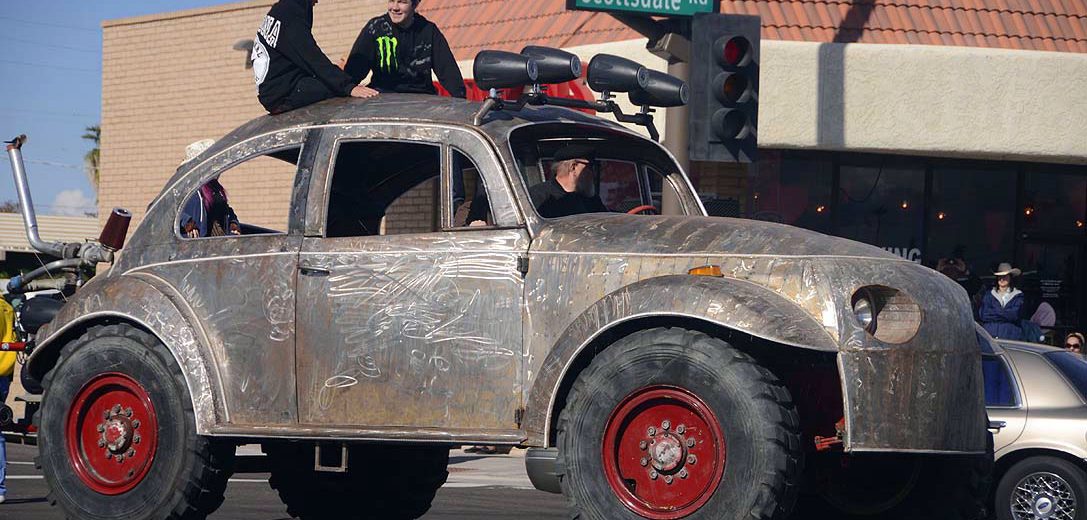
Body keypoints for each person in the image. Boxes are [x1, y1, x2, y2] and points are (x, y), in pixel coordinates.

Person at [252, 0, 377, 114]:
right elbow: (312, 58)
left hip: (278, 89)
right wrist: (349, 87)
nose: (317, 1)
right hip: (283, 94)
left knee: (337, 77)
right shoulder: (291, 14)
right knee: (339, 85)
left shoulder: (282, 9)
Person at [343, 0, 466, 99]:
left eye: (402, 2)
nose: (395, 7)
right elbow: (353, 71)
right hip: (382, 99)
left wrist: (461, 100)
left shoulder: (428, 31)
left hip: (421, 100)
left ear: (415, 4)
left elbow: (448, 71)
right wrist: (348, 88)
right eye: (391, 1)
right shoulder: (375, 29)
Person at [179, 140, 241, 238]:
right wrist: (187, 222)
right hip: (196, 242)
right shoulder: (187, 189)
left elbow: (227, 211)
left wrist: (233, 224)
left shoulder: (216, 189)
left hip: (217, 241)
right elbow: (170, 211)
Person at [528, 145, 609, 219]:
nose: (593, 173)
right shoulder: (539, 196)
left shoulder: (591, 200)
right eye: (591, 167)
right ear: (573, 167)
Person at [979, 262, 1025, 340]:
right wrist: (1004, 313)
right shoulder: (989, 295)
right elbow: (984, 315)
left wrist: (994, 313)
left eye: (1005, 276)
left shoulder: (1018, 296)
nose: (1002, 279)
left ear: (1010, 277)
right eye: (999, 276)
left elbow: (1014, 315)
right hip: (990, 336)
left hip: (1010, 336)